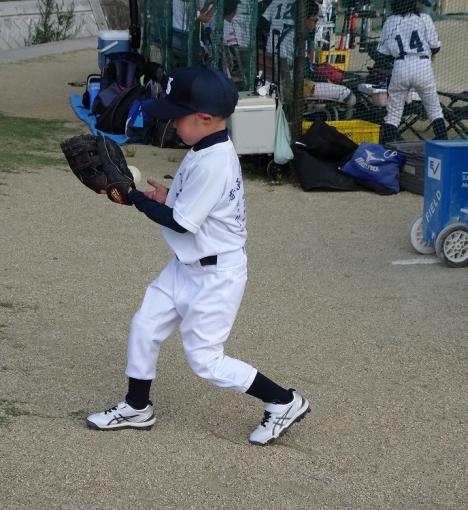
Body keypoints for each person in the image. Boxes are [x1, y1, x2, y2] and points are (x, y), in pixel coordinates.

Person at [85, 65, 310, 446]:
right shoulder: (203, 148)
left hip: (216, 276)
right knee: (145, 325)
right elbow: (192, 206)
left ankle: (283, 400)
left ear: (205, 118)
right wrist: (166, 197)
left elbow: (181, 224)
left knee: (205, 360)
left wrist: (133, 196)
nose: (172, 123)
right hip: (186, 266)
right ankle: (137, 407)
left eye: (178, 116)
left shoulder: (213, 162)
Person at [376, 0, 447, 143]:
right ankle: (444, 144)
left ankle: (387, 148)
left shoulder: (390, 21)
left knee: (393, 115)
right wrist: (430, 52)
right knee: (434, 110)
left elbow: (382, 53)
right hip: (422, 66)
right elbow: (435, 46)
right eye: (418, 2)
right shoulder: (424, 18)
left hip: (400, 66)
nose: (420, 5)